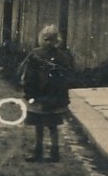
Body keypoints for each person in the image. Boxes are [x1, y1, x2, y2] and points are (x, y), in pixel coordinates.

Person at [18, 25, 75, 162]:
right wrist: (29, 91)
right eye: (46, 39)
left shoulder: (60, 56)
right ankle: (39, 151)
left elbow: (65, 76)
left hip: (52, 95)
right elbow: (28, 73)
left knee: (51, 124)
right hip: (39, 94)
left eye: (51, 40)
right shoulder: (36, 54)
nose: (48, 42)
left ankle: (54, 152)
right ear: (41, 39)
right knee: (40, 124)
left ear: (56, 41)